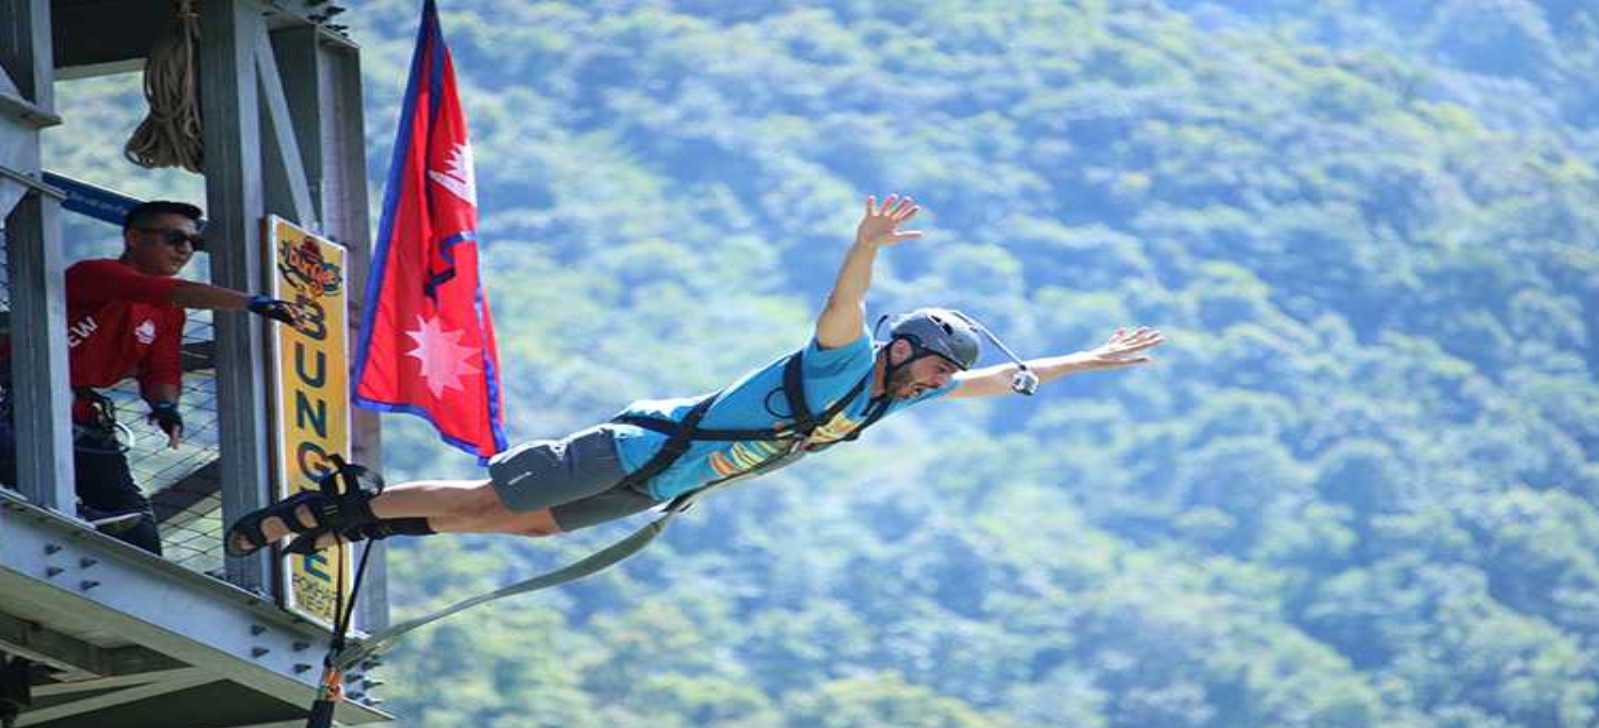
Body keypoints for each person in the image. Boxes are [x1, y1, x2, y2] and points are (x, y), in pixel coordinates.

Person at [227, 195, 1166, 555]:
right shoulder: (843, 363)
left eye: (938, 378)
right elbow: (841, 307)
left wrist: (1084, 358)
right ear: (902, 347)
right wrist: (864, 245)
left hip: (658, 486)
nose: (934, 384)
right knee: (485, 499)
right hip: (646, 448)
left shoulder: (887, 402)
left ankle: (360, 525)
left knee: (514, 526)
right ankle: (323, 511)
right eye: (929, 367)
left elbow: (1003, 381)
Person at [67, 200, 305, 554]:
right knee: (21, 479)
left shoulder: (167, 314)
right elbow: (168, 291)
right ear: (133, 237)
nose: (185, 249)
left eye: (194, 243)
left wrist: (165, 405)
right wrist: (254, 303)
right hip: (20, 398)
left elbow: (161, 368)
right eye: (174, 238)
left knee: (137, 529)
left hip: (83, 418)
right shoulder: (95, 274)